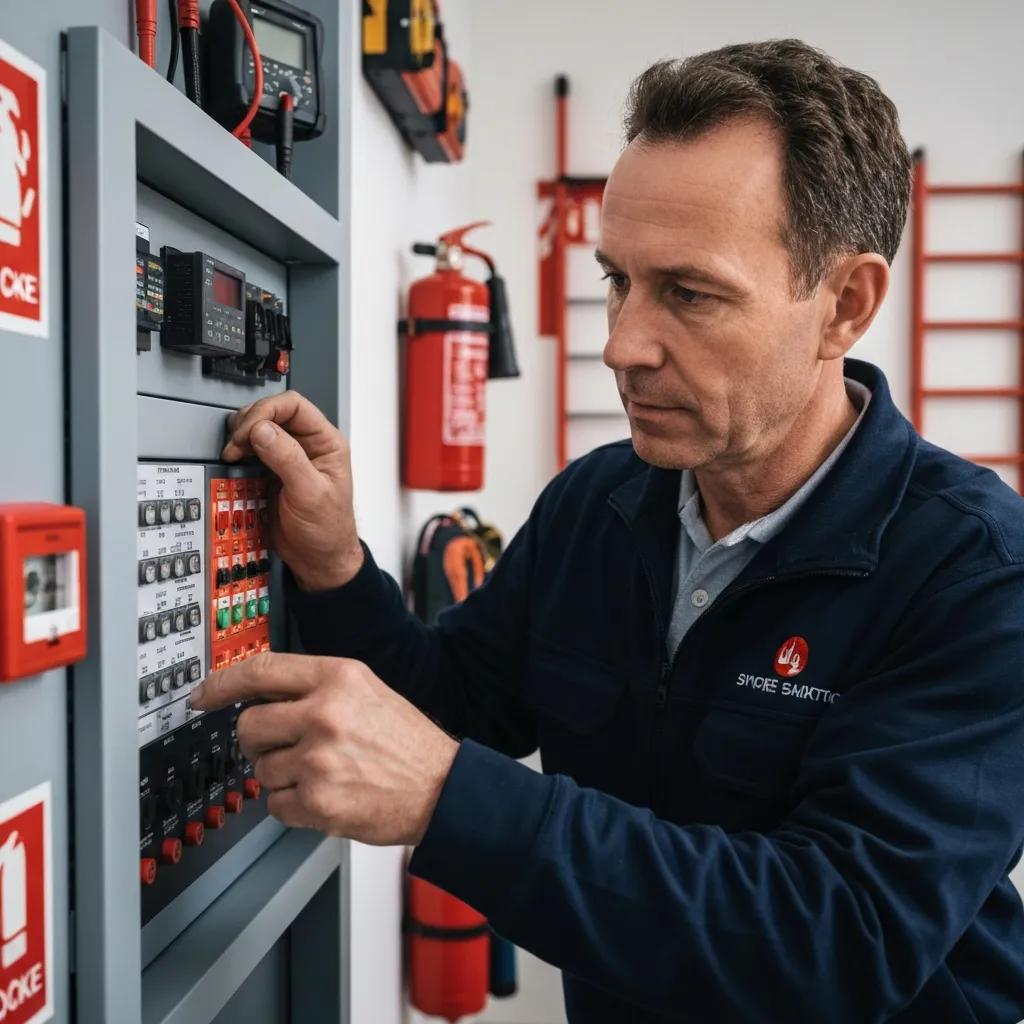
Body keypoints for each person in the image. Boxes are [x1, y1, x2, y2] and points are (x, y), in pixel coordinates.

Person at [191, 39, 1024, 1023]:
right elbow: (448, 706)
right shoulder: (599, 504)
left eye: (689, 293)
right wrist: (332, 565)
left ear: (844, 303)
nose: (620, 343)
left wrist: (453, 799)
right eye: (617, 280)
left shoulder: (976, 570)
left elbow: (841, 935)